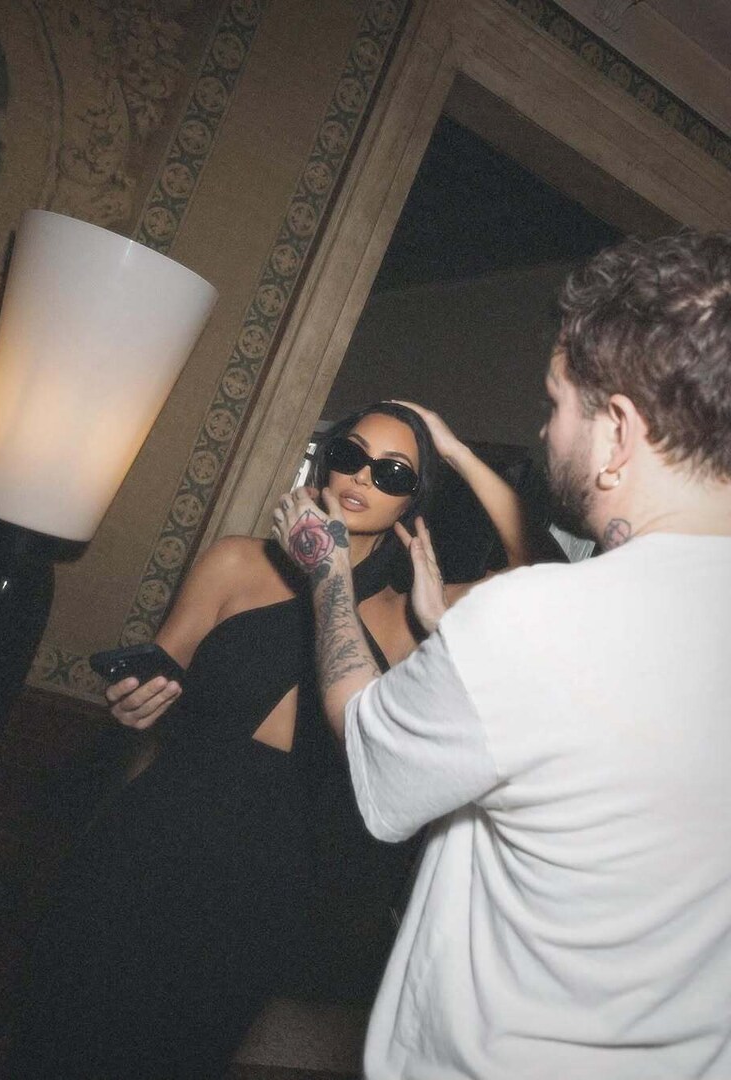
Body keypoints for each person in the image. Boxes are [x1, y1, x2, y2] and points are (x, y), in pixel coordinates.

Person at [272, 230, 731, 1080]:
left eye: (556, 404)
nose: (545, 429)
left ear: (618, 432)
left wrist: (328, 574)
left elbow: (363, 733)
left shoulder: (539, 620)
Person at [11, 400, 529, 1080]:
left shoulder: (416, 616)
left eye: (393, 472)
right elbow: (163, 671)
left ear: (413, 500)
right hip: (152, 834)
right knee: (59, 1031)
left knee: (176, 1054)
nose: (362, 476)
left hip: (274, 877)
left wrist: (455, 449)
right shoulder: (235, 562)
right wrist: (137, 704)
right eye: (350, 454)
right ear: (325, 461)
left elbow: (535, 567)